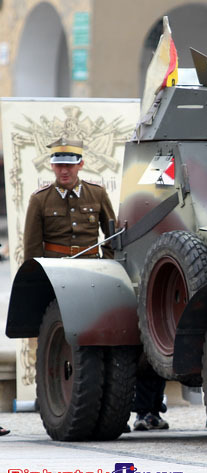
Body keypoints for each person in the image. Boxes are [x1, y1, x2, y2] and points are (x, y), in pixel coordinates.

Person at [24, 137, 169, 432]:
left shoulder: (97, 194)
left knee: (107, 342)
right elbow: (31, 249)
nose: (64, 171)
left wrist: (111, 270)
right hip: (58, 276)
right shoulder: (40, 200)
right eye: (59, 165)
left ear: (81, 164)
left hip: (92, 274)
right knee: (68, 342)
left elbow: (113, 236)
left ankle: (119, 411)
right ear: (52, 166)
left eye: (70, 164)